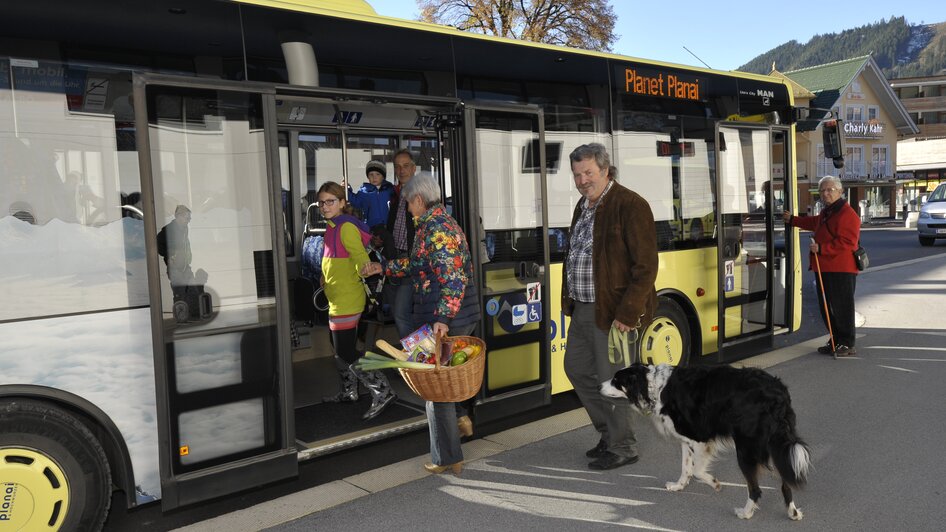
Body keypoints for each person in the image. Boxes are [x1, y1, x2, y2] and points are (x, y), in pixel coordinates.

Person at [361, 171, 480, 475]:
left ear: (418, 199)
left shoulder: (436, 229)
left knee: (433, 387)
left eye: (406, 204)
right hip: (449, 314)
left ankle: (446, 457)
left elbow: (453, 277)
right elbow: (418, 265)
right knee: (440, 381)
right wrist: (383, 267)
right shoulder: (435, 224)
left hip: (442, 316)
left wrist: (442, 319)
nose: (406, 208)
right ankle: (458, 422)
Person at [562, 143, 658, 470]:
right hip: (584, 307)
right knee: (575, 368)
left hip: (615, 312)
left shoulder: (630, 205)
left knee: (613, 381)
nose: (582, 179)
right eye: (577, 174)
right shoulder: (583, 205)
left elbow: (646, 266)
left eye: (588, 172)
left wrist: (629, 313)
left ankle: (624, 446)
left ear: (605, 170)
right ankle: (608, 433)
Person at [317, 181, 396, 420]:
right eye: (321, 202)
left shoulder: (344, 227)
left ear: (342, 203)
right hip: (337, 296)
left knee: (346, 350)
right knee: (340, 348)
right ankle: (349, 391)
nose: (324, 206)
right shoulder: (332, 226)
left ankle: (383, 391)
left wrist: (366, 268)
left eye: (330, 201)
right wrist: (324, 275)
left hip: (347, 297)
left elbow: (360, 258)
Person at [783, 175, 860, 356]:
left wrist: (822, 248)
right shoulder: (829, 211)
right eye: (823, 190)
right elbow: (814, 222)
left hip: (841, 269)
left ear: (840, 192)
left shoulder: (847, 214)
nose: (826, 193)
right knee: (828, 307)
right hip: (825, 267)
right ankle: (836, 340)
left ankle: (847, 344)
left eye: (830, 190)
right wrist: (793, 220)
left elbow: (848, 242)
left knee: (842, 308)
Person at [384, 149, 419, 339]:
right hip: (393, 256)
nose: (401, 170)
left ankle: (416, 359)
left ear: (414, 168)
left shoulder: (419, 193)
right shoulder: (396, 193)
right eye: (397, 166)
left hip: (411, 259)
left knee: (401, 313)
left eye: (406, 166)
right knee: (400, 313)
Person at [345, 160, 396, 229]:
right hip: (371, 226)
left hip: (389, 225)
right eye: (371, 174)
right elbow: (355, 201)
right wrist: (347, 189)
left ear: (383, 176)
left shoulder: (389, 189)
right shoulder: (364, 191)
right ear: (368, 177)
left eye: (378, 174)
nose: (374, 177)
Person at [157, 204, 195, 288]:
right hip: (174, 268)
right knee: (180, 293)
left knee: (194, 290)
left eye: (189, 218)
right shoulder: (168, 229)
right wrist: (170, 255)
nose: (189, 220)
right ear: (179, 216)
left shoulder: (184, 228)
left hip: (185, 266)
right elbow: (157, 244)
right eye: (187, 217)